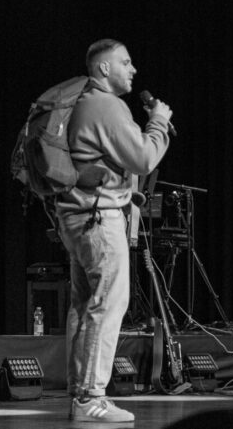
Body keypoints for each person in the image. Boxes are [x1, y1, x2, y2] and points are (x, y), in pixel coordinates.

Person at [57, 39, 172, 423]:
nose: (133, 69)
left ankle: (80, 394)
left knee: (84, 306)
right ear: (104, 69)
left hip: (76, 216)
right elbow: (143, 157)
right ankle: (92, 398)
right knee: (108, 305)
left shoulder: (83, 103)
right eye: (125, 62)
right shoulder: (107, 105)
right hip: (99, 220)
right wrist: (158, 121)